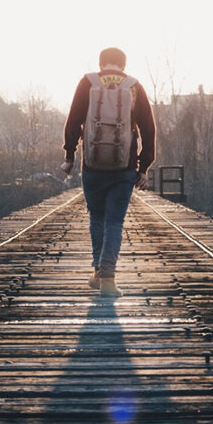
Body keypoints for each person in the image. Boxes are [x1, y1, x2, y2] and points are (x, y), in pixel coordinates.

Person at [61, 47, 156, 297]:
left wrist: (70, 156)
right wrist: (144, 167)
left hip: (92, 166)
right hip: (124, 167)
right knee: (114, 221)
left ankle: (97, 271)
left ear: (101, 63)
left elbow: (73, 122)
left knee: (97, 218)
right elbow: (149, 129)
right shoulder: (134, 86)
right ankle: (107, 278)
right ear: (123, 66)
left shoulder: (88, 82)